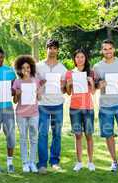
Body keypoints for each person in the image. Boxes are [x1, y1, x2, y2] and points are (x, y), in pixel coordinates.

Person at [94, 39, 118, 172]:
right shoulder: (97, 67)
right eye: (105, 49)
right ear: (102, 51)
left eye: (110, 48)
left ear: (114, 49)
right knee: (108, 134)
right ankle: (114, 162)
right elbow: (95, 85)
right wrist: (99, 85)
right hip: (105, 106)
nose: (108, 51)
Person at [36, 39, 67, 174]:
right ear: (46, 49)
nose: (52, 50)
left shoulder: (63, 68)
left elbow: (65, 89)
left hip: (57, 104)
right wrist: (39, 83)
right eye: (50, 48)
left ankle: (54, 162)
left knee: (57, 134)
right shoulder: (38, 66)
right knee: (42, 134)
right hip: (42, 105)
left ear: (58, 50)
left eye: (55, 48)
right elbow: (32, 84)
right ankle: (42, 164)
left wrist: (62, 85)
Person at [65, 49, 95, 172]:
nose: (80, 59)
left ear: (85, 58)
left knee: (89, 135)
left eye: (82, 57)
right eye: (77, 57)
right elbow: (67, 92)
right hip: (75, 108)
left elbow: (93, 92)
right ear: (74, 59)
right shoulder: (70, 73)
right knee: (78, 135)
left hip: (88, 107)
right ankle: (79, 162)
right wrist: (69, 84)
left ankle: (91, 162)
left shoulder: (90, 73)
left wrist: (91, 82)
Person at [13, 55, 42, 173]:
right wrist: (17, 94)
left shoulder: (36, 80)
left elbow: (39, 98)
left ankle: (32, 162)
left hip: (34, 113)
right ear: (19, 69)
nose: (26, 70)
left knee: (34, 138)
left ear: (31, 68)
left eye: (28, 67)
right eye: (23, 68)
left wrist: (38, 91)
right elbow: (15, 101)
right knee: (23, 138)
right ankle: (25, 163)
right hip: (21, 113)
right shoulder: (17, 82)